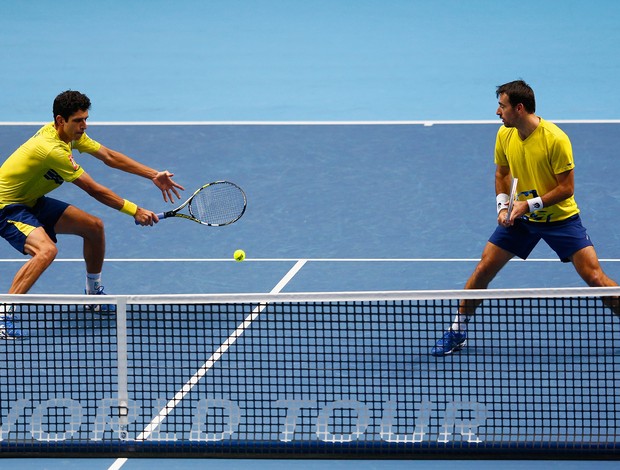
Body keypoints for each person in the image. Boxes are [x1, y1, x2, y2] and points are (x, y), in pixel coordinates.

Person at [431, 79, 620, 356]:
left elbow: (566, 189)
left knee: (594, 277)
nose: (498, 112)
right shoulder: (504, 135)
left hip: (560, 219)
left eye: (502, 106)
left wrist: (527, 205)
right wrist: (503, 205)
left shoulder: (555, 139)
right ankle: (457, 330)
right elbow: (502, 173)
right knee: (484, 268)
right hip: (521, 221)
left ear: (519, 108)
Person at [0, 90, 185, 339]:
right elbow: (93, 189)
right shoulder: (51, 149)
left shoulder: (71, 137)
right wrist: (135, 210)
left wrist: (153, 174)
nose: (84, 126)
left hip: (31, 200)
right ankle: (4, 314)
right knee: (46, 251)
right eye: (78, 120)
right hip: (7, 207)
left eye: (86, 119)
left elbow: (109, 157)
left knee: (93, 227)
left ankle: (93, 294)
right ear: (60, 121)